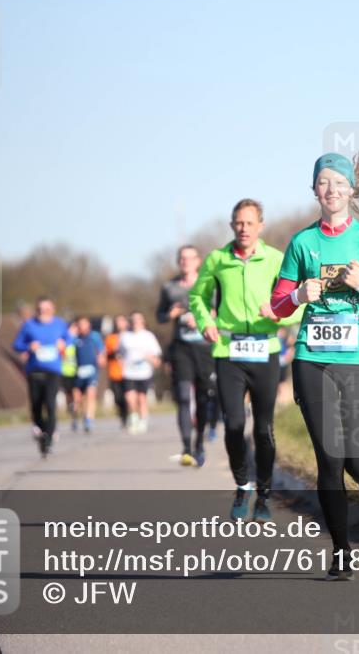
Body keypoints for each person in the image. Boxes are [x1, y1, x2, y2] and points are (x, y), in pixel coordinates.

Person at [270, 152, 359, 580]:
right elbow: (276, 306)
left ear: (350, 190)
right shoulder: (301, 244)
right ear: (314, 190)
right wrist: (298, 297)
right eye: (323, 182)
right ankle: (342, 550)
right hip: (313, 359)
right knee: (329, 459)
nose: (330, 190)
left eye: (338, 183)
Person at [190, 199, 303, 521]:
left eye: (249, 223)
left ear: (260, 226)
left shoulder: (276, 260)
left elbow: (297, 302)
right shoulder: (217, 259)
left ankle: (264, 496)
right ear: (231, 225)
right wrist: (205, 322)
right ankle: (243, 485)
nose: (243, 228)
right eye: (238, 223)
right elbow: (197, 296)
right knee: (235, 424)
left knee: (264, 430)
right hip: (229, 350)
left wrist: (277, 315)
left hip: (266, 350)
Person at [156, 246, 217, 466]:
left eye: (189, 258)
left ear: (197, 261)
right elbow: (160, 316)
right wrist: (171, 313)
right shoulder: (169, 287)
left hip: (204, 347)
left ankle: (199, 441)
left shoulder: (209, 283)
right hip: (180, 348)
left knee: (203, 397)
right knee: (182, 396)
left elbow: (220, 311)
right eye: (181, 258)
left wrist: (203, 317)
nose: (185, 262)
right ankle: (186, 447)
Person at [12, 297, 70, 457]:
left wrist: (63, 344)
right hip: (34, 370)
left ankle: (49, 438)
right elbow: (16, 345)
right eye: (40, 309)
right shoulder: (29, 325)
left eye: (47, 309)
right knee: (36, 405)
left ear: (53, 309)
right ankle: (43, 431)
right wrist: (28, 346)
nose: (43, 312)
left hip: (53, 370)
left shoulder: (59, 324)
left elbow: (69, 339)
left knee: (50, 404)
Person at [119, 311, 161, 434]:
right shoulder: (125, 336)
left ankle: (143, 420)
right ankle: (134, 417)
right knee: (130, 398)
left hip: (144, 372)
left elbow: (156, 354)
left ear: (143, 321)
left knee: (141, 398)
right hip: (129, 372)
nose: (135, 322)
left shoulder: (148, 336)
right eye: (133, 319)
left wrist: (152, 359)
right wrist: (121, 361)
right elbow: (119, 352)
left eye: (138, 319)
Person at [72, 316, 105, 433]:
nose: (82, 326)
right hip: (78, 371)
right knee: (77, 398)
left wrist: (101, 358)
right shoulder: (74, 338)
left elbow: (101, 350)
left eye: (84, 324)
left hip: (92, 370)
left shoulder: (94, 336)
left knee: (91, 394)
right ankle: (76, 417)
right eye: (80, 324)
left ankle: (89, 420)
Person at [105, 314, 129, 428]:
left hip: (129, 372)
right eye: (117, 322)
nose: (119, 324)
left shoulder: (130, 336)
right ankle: (122, 416)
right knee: (118, 397)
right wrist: (114, 354)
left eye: (122, 321)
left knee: (128, 396)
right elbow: (105, 355)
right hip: (115, 372)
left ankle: (130, 416)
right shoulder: (111, 338)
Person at [61, 322, 79, 427]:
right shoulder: (64, 341)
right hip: (65, 371)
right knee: (68, 394)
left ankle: (75, 415)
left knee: (76, 393)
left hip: (76, 371)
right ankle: (72, 410)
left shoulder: (78, 340)